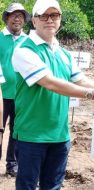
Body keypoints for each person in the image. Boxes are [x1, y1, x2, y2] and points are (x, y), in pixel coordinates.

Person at [11, 0, 94, 189]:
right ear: (34, 21)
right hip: (32, 135)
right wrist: (92, 94)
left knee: (53, 186)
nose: (49, 20)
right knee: (26, 186)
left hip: (60, 136)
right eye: (44, 16)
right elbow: (49, 82)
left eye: (54, 15)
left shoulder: (64, 54)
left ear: (60, 19)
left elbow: (81, 79)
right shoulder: (24, 50)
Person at [0, 2, 30, 177]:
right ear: (7, 18)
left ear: (24, 20)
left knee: (16, 131)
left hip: (21, 94)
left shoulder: (28, 41)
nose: (17, 18)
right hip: (1, 94)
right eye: (13, 15)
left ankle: (12, 164)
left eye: (20, 16)